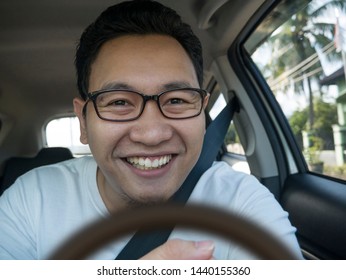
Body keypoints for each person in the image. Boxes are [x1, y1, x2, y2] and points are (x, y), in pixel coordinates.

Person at [0, 0, 303, 260]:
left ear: (202, 110)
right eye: (119, 102)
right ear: (83, 122)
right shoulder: (31, 200)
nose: (151, 134)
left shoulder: (241, 203)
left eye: (175, 100)